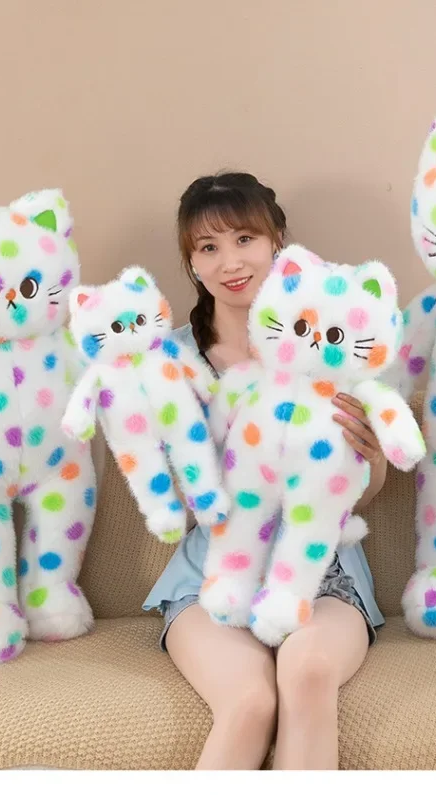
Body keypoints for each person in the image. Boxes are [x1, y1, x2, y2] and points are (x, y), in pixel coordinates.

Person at [143, 172, 387, 770]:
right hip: (211, 579)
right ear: (192, 263)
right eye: (208, 247)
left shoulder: (330, 337)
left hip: (323, 575)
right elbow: (177, 500)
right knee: (250, 702)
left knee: (306, 672)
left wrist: (373, 457)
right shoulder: (172, 361)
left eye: (245, 239)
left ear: (277, 239)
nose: (230, 261)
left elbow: (358, 496)